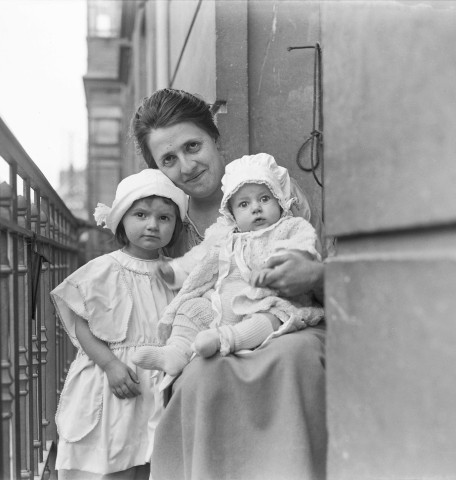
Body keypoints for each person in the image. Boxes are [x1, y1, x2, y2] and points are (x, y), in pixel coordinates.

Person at [131, 88, 327, 480]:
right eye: (169, 159)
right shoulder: (161, 222)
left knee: (293, 358)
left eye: (193, 146)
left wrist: (312, 275)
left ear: (214, 137)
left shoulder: (269, 193)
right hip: (205, 337)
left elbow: (315, 257)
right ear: (156, 168)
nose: (186, 165)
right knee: (202, 375)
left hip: (284, 316)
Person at [132, 153, 324, 376]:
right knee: (191, 308)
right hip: (220, 306)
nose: (256, 208)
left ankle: (227, 339)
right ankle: (176, 352)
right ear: (232, 213)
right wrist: (174, 271)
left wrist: (274, 266)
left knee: (270, 318)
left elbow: (302, 249)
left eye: (264, 199)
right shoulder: (224, 236)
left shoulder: (289, 227)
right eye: (244, 204)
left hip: (266, 301)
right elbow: (199, 260)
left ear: (280, 201)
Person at [50, 169, 187, 480]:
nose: (152, 224)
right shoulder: (104, 269)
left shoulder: (175, 274)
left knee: (151, 457)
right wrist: (109, 363)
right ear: (122, 218)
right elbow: (83, 323)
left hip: (157, 380)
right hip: (113, 379)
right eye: (141, 214)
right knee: (110, 459)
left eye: (164, 218)